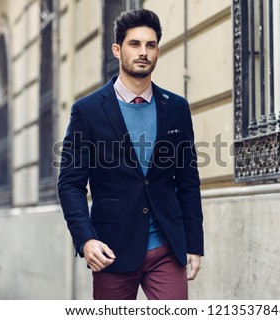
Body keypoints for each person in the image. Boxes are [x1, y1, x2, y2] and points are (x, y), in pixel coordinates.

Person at [57, 8, 204, 300]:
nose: (143, 52)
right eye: (134, 44)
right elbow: (70, 184)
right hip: (112, 249)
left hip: (166, 248)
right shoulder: (87, 111)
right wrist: (86, 239)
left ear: (158, 51)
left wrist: (194, 244)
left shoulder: (175, 107)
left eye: (150, 45)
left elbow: (188, 181)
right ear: (117, 49)